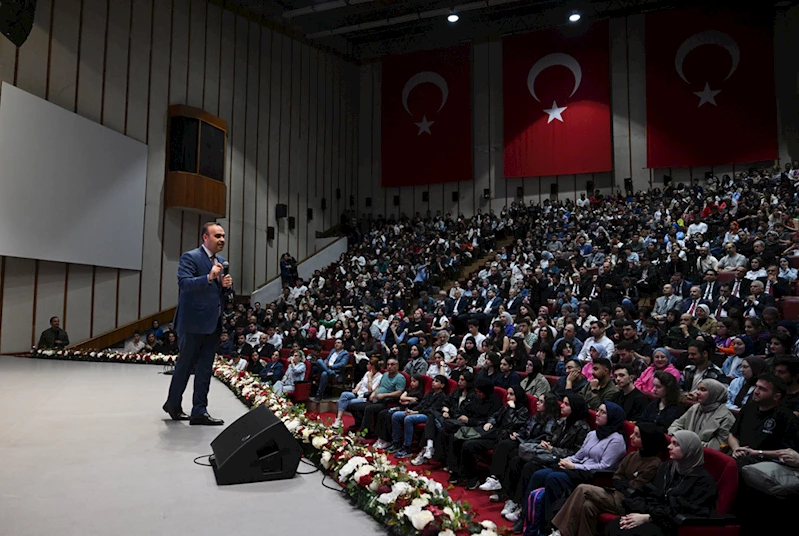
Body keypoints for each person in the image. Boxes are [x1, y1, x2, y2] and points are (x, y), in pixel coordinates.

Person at [164, 222, 233, 425]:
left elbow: (223, 294)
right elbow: (184, 284)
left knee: (205, 370)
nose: (222, 239)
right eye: (217, 236)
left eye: (223, 236)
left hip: (213, 324)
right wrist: (208, 277)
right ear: (205, 237)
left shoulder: (222, 262)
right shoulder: (190, 257)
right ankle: (173, 405)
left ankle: (199, 411)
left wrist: (226, 287)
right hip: (192, 323)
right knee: (184, 367)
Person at [522, 402, 628, 531]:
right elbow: (578, 456)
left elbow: (604, 466)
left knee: (554, 478)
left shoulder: (616, 440)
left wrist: (574, 466)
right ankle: (526, 518)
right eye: (598, 410)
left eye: (603, 412)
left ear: (612, 417)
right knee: (539, 474)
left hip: (592, 477)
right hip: (576, 469)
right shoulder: (593, 434)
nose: (597, 414)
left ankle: (550, 526)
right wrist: (564, 461)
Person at [551, 423, 669, 536]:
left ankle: (561, 531)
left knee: (582, 489)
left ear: (647, 440)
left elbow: (635, 487)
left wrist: (622, 483)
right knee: (588, 506)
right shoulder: (633, 455)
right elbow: (617, 476)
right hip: (615, 493)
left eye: (637, 435)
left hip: (628, 502)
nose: (631, 436)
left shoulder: (654, 464)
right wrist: (623, 483)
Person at [605, 431, 717, 536]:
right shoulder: (667, 467)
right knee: (614, 526)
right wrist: (642, 513)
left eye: (675, 444)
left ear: (689, 449)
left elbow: (687, 510)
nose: (669, 447)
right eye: (670, 443)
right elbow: (653, 495)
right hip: (654, 515)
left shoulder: (703, 482)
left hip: (672, 525)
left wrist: (649, 517)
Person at [501, 394, 592, 523]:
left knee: (530, 467)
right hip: (549, 454)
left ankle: (523, 507)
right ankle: (513, 500)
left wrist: (552, 449)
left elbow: (576, 452)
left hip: (561, 460)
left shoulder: (583, 428)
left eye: (566, 404)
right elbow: (551, 439)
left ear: (575, 408)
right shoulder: (561, 422)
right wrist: (546, 444)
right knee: (517, 459)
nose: (562, 405)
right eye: (563, 403)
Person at [449, 384, 530, 489]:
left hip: (502, 438)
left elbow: (513, 425)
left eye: (512, 394)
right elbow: (494, 416)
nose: (508, 397)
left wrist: (511, 410)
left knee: (469, 445)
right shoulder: (506, 406)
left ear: (518, 396)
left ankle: (474, 478)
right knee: (461, 440)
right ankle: (462, 474)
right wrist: (490, 422)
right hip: (493, 433)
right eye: (508, 394)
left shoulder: (523, 411)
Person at [478, 392, 561, 493]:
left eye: (541, 402)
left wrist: (523, 439)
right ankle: (495, 478)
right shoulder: (536, 416)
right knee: (504, 444)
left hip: (532, 445)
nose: (537, 403)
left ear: (548, 405)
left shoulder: (552, 422)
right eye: (538, 400)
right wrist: (518, 434)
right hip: (524, 441)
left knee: (514, 455)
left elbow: (544, 439)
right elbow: (526, 428)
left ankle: (503, 491)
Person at [727, 373, 799, 468]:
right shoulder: (748, 408)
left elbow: (788, 452)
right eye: (756, 387)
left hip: (767, 463)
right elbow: (732, 434)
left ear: (776, 396)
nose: (756, 391)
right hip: (741, 457)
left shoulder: (787, 417)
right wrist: (736, 448)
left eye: (762, 389)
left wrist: (757, 453)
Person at [413, 371, 479, 466]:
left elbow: (464, 413)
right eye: (459, 380)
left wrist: (450, 412)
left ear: (469, 382)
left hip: (459, 422)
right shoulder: (457, 392)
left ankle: (428, 448)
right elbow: (446, 402)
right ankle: (429, 447)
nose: (459, 382)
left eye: (462, 380)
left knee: (433, 418)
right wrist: (446, 410)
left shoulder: (473, 396)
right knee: (432, 416)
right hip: (449, 419)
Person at [389, 374, 449, 458]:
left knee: (408, 419)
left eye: (436, 381)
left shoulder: (442, 396)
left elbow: (431, 410)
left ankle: (407, 448)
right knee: (396, 415)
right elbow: (421, 404)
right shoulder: (431, 393)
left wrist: (415, 412)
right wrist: (411, 410)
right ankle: (396, 442)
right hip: (418, 412)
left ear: (442, 385)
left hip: (429, 416)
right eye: (433, 380)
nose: (433, 383)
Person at [668, 379, 735, 450]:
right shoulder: (695, 408)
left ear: (714, 393)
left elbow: (719, 445)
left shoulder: (726, 417)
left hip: (705, 456)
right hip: (684, 450)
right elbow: (676, 425)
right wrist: (678, 437)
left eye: (703, 390)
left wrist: (687, 442)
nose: (697, 393)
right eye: (698, 389)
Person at [347, 357, 406, 434]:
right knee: (352, 406)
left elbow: (399, 392)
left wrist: (384, 395)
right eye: (388, 365)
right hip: (376, 399)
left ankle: (364, 433)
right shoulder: (385, 375)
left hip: (387, 402)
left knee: (369, 408)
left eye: (392, 364)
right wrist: (374, 393)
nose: (389, 366)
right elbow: (379, 386)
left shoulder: (400, 378)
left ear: (397, 366)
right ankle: (360, 424)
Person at [310, 338, 349, 402]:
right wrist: (325, 362)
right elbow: (327, 359)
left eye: (338, 343)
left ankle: (318, 396)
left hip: (335, 371)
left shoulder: (345, 353)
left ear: (342, 345)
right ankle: (329, 372)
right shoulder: (333, 350)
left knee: (324, 374)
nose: (336, 344)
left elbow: (342, 364)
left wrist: (331, 366)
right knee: (319, 361)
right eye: (335, 343)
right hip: (328, 369)